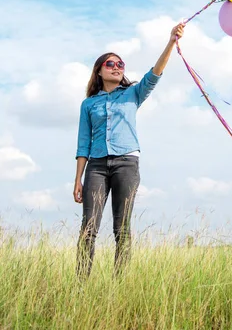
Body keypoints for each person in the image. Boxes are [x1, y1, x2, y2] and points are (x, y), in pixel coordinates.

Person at [73, 22, 185, 278]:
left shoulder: (133, 94)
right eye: (110, 64)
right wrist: (78, 179)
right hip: (97, 167)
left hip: (126, 163)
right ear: (99, 71)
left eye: (120, 64)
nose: (116, 67)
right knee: (89, 227)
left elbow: (155, 73)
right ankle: (80, 284)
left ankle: (119, 284)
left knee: (121, 227)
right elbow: (83, 143)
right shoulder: (88, 104)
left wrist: (170, 42)